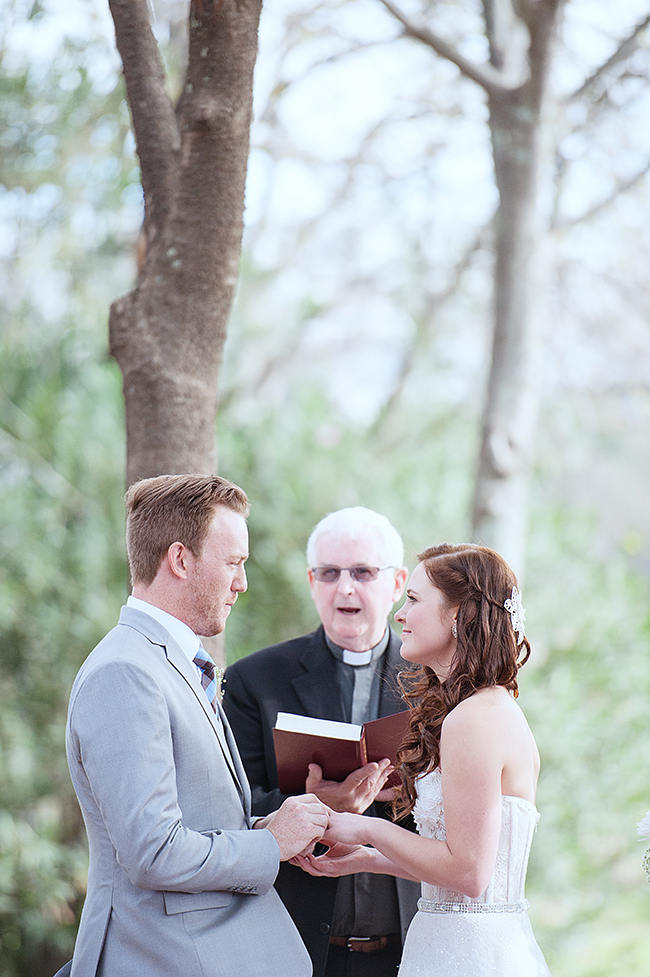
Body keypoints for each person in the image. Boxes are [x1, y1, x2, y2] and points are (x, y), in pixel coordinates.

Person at [64, 474, 329, 977]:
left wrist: (266, 828)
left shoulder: (169, 664)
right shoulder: (125, 673)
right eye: (233, 563)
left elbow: (195, 821)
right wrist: (268, 846)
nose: (242, 582)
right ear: (181, 560)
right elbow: (155, 852)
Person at [294, 543, 552, 977]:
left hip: (469, 955)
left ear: (457, 615)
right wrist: (368, 857)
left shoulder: (473, 720)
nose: (399, 615)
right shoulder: (487, 708)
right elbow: (464, 867)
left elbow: (470, 873)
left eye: (412, 600)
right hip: (463, 940)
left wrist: (369, 827)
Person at [223, 507, 420, 977]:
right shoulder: (256, 680)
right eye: (329, 573)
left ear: (396, 584)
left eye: (363, 572)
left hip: (410, 940)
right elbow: (229, 803)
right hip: (295, 939)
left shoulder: (433, 682)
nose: (345, 588)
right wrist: (314, 803)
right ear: (312, 582)